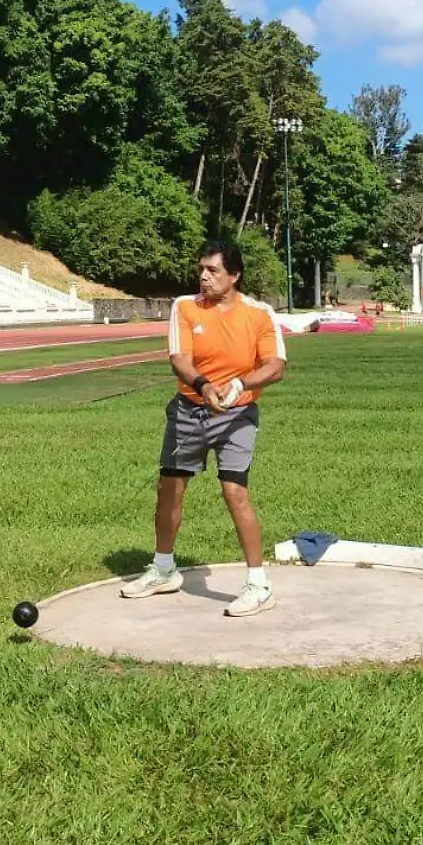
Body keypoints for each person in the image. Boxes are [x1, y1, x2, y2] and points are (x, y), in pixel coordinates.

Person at [121, 240, 288, 617]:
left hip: (237, 415)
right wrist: (203, 386)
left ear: (235, 275)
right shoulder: (185, 307)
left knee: (234, 492)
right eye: (201, 269)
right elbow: (179, 358)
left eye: (213, 270)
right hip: (189, 409)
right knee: (169, 489)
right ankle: (164, 569)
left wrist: (240, 385)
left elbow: (275, 366)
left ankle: (258, 584)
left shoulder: (259, 314)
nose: (203, 277)